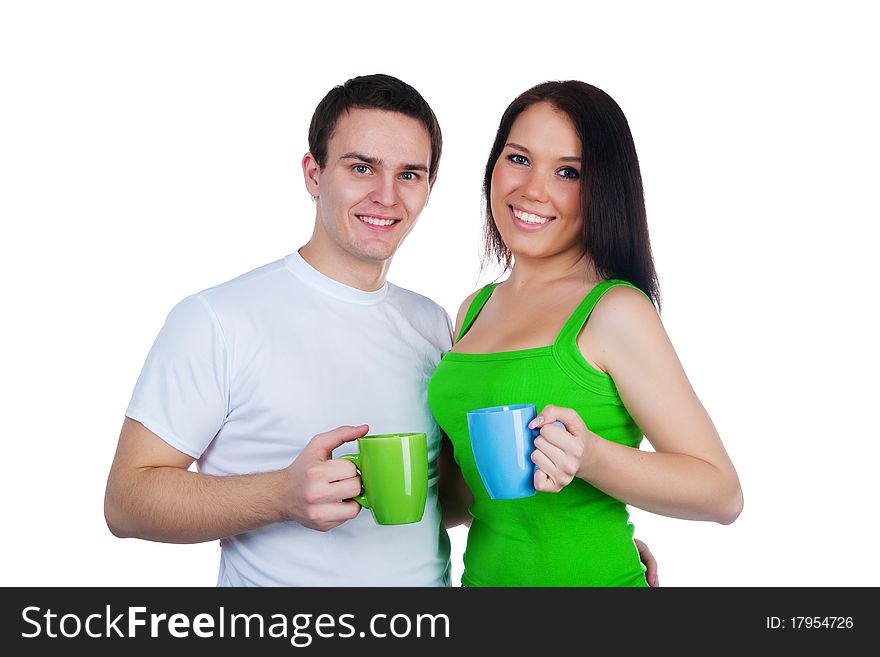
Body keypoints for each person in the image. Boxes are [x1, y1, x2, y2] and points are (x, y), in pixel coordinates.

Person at [104, 73, 659, 586]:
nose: (387, 196)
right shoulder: (216, 320)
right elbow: (127, 501)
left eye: (409, 174)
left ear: (429, 188)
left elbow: (451, 500)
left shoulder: (435, 324)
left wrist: (591, 551)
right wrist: (280, 495)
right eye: (361, 167)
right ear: (313, 174)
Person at [428, 80, 742, 586]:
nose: (532, 189)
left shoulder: (615, 310)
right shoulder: (473, 309)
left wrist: (591, 457)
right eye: (519, 158)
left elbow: (722, 494)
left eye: (568, 172)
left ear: (602, 189)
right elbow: (465, 504)